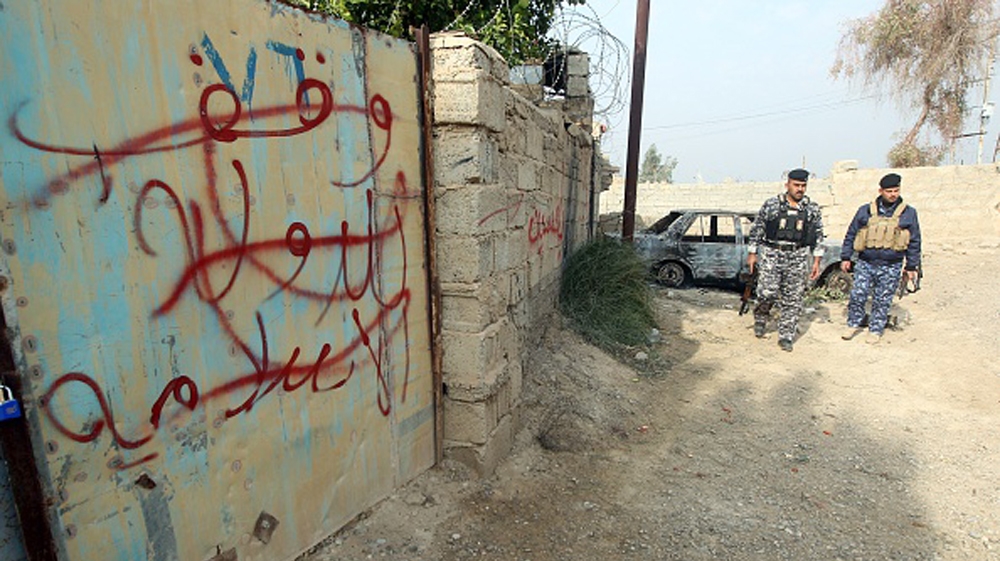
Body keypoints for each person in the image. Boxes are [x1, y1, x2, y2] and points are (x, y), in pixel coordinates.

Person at [746, 168, 825, 352]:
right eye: (796, 185)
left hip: (797, 255)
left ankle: (786, 335)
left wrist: (816, 261)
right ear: (787, 185)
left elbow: (818, 235)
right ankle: (761, 317)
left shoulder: (811, 209)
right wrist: (752, 253)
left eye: (803, 186)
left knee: (793, 297)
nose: (800, 189)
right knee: (767, 292)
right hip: (772, 252)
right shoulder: (772, 205)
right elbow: (757, 229)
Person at [839, 172, 921, 344]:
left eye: (896, 190)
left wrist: (911, 266)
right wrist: (846, 256)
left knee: (883, 299)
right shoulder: (866, 210)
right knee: (858, 294)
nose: (893, 194)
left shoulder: (908, 213)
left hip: (892, 264)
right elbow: (851, 233)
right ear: (880, 191)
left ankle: (875, 329)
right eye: (889, 191)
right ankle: (853, 323)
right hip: (866, 261)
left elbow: (914, 240)